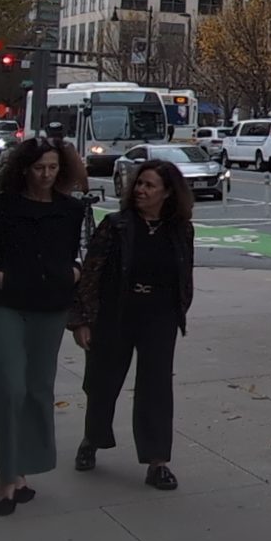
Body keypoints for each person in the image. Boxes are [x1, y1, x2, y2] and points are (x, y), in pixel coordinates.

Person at [0, 139, 89, 516]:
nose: (46, 175)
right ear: (23, 169)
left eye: (52, 168)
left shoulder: (71, 210)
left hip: (51, 307)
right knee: (8, 387)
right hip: (6, 305)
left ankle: (22, 471)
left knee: (36, 390)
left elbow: (84, 252)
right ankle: (6, 477)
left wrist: (74, 273)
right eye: (38, 168)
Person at [71, 159, 195, 490]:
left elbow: (185, 272)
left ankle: (157, 462)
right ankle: (92, 440)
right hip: (116, 313)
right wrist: (82, 320)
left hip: (159, 316)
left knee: (156, 388)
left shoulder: (180, 229)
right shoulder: (117, 225)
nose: (141, 190)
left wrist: (179, 308)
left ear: (168, 193)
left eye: (149, 185)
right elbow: (90, 274)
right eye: (139, 184)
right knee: (102, 383)